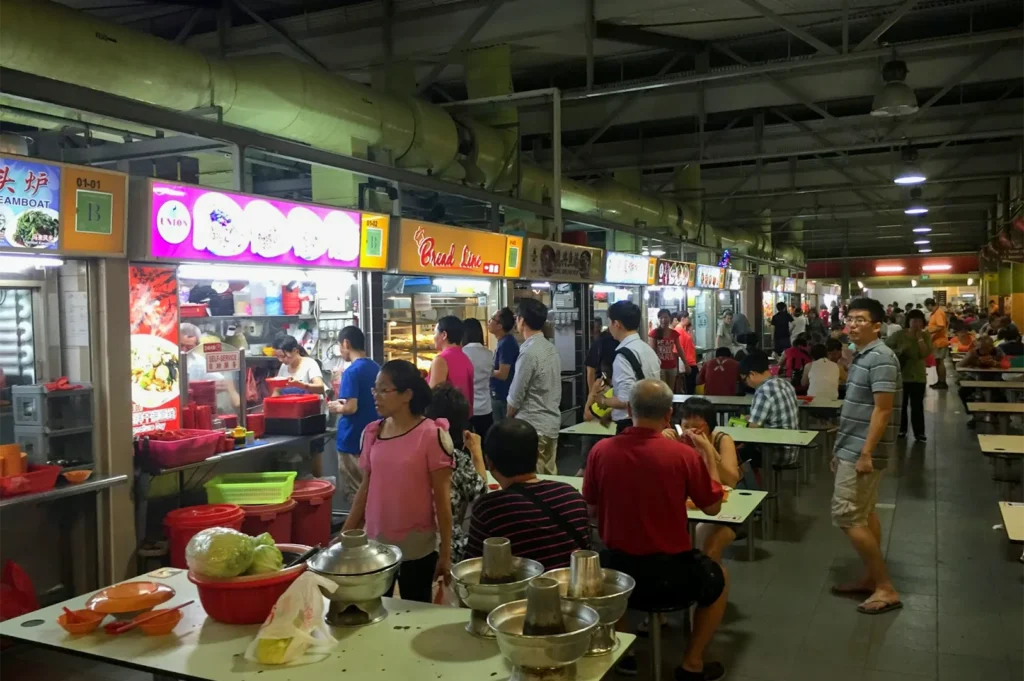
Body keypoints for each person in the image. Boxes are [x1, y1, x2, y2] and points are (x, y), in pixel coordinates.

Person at [583, 380, 726, 681]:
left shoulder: (601, 451)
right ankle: (693, 662)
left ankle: (625, 652)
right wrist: (708, 455)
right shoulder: (682, 456)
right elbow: (713, 507)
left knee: (609, 566)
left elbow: (591, 510)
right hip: (670, 573)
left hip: (618, 573)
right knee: (720, 578)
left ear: (630, 409)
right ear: (668, 414)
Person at [342, 360, 453, 602]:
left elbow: (443, 501)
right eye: (375, 390)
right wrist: (345, 534)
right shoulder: (373, 432)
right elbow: (365, 489)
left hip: (417, 547)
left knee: (416, 610)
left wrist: (445, 551)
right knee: (373, 606)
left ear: (407, 395)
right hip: (375, 543)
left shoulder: (431, 435)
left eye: (384, 390)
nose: (376, 396)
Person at [828, 297, 902, 615]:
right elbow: (855, 409)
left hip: (863, 452)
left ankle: (885, 588)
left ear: (877, 325)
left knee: (847, 516)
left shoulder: (881, 358)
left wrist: (865, 453)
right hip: (852, 446)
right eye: (850, 319)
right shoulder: (863, 356)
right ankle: (872, 577)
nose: (852, 324)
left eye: (860, 319)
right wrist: (840, 449)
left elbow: (882, 410)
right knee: (866, 513)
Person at [466, 418, 590, 569]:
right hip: (573, 588)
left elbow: (474, 569)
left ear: (489, 462)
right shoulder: (571, 496)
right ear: (537, 455)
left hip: (520, 591)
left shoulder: (488, 509)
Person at [673, 397, 741, 563]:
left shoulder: (722, 440)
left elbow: (731, 481)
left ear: (710, 426)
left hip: (724, 510)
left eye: (697, 427)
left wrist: (709, 451)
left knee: (708, 549)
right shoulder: (676, 439)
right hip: (689, 508)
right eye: (686, 426)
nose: (689, 431)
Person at [424, 384, 487, 563]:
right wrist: (476, 452)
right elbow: (481, 495)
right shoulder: (455, 458)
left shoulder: (409, 451)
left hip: (404, 544)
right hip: (445, 548)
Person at [506, 299, 562, 474]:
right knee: (550, 477)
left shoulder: (529, 353)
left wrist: (508, 419)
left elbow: (516, 396)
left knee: (533, 480)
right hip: (550, 424)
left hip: (533, 428)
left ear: (522, 320)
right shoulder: (549, 347)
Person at [327, 326, 380, 506]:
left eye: (339, 346)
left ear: (346, 343)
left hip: (352, 439)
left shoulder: (351, 371)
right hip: (372, 438)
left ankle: (357, 531)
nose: (340, 351)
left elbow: (351, 407)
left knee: (356, 494)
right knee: (371, 490)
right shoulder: (375, 367)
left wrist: (336, 407)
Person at [595, 301, 661, 433]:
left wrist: (603, 400)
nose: (609, 327)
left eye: (610, 322)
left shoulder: (623, 357)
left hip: (630, 425)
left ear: (617, 324)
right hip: (650, 419)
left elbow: (625, 400)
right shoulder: (647, 350)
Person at [740, 350, 800, 466]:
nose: (746, 383)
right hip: (792, 449)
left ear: (752, 374)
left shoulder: (763, 391)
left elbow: (753, 428)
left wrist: (748, 422)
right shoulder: (784, 383)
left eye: (744, 379)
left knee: (734, 452)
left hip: (773, 453)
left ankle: (750, 483)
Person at [885, 309, 931, 442]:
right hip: (901, 375)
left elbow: (925, 354)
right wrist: (899, 350)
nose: (916, 324)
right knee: (902, 405)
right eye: (913, 320)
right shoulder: (899, 335)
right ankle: (901, 429)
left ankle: (919, 432)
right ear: (908, 322)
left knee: (917, 405)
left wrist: (920, 339)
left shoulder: (925, 336)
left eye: (919, 321)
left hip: (918, 376)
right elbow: (885, 348)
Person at [957, 335, 1008, 427]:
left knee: (1001, 397)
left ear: (991, 346)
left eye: (985, 348)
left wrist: (995, 363)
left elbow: (1007, 364)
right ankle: (974, 414)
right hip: (975, 379)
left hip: (993, 380)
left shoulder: (998, 352)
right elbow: (958, 366)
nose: (982, 350)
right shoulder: (973, 353)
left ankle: (998, 415)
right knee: (962, 392)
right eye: (980, 348)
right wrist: (969, 358)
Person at [428, 315, 475, 413]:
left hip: (445, 421)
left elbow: (433, 398)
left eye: (435, 333)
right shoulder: (464, 357)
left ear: (444, 335)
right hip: (461, 417)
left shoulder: (441, 360)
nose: (434, 337)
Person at [461, 318, 494, 436]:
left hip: (466, 408)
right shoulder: (489, 354)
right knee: (484, 444)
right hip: (485, 407)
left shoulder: (462, 353)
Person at [488, 308, 519, 421]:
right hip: (499, 395)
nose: (488, 322)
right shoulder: (503, 342)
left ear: (500, 325)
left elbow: (503, 374)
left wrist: (485, 370)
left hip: (502, 397)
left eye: (492, 319)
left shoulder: (506, 344)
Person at [649, 308, 685, 389]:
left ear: (670, 318)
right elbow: (652, 351)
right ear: (659, 319)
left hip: (672, 365)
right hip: (659, 366)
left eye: (666, 317)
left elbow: (679, 349)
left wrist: (685, 363)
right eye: (661, 318)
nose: (663, 320)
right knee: (663, 390)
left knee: (671, 390)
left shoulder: (674, 333)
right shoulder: (654, 333)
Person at [585, 317, 618, 392]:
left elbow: (590, 369)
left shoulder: (601, 341)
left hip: (610, 385)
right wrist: (592, 393)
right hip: (605, 385)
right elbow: (590, 369)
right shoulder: (601, 341)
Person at [925, 298, 949, 390]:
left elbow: (940, 326)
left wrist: (929, 332)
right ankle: (940, 381)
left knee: (940, 362)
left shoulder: (938, 312)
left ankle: (942, 382)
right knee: (938, 362)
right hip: (936, 342)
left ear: (930, 305)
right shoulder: (935, 313)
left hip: (940, 341)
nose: (927, 309)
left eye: (927, 307)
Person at [677, 314, 700, 394]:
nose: (689, 319)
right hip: (688, 362)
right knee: (690, 387)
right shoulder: (679, 330)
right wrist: (685, 364)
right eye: (688, 318)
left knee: (692, 386)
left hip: (690, 361)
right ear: (683, 318)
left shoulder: (683, 330)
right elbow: (679, 348)